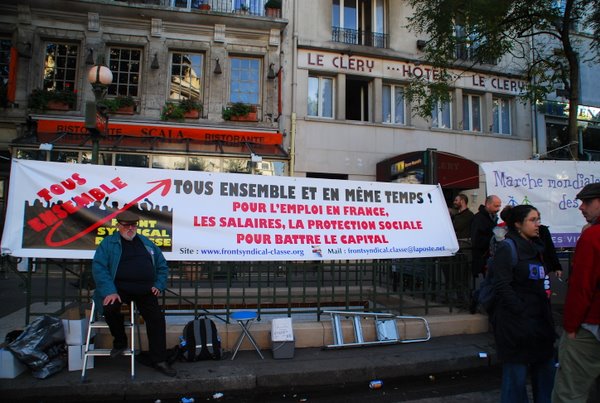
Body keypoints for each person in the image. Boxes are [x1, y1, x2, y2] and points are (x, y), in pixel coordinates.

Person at [92, 210, 176, 377]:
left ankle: (159, 360)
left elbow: (162, 266)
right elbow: (99, 268)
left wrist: (158, 285)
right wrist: (109, 291)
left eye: (133, 225)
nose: (130, 228)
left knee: (157, 320)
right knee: (110, 308)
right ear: (118, 226)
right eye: (126, 226)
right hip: (118, 289)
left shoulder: (146, 243)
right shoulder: (108, 243)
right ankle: (120, 341)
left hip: (145, 290)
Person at [491, 204, 556, 403]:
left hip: (540, 323)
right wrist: (519, 309)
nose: (537, 224)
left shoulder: (537, 246)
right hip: (516, 326)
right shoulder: (507, 247)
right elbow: (502, 285)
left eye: (538, 219)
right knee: (516, 380)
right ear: (518, 224)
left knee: (545, 375)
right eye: (532, 220)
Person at [552, 183, 600, 403]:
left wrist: (571, 326)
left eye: (587, 202)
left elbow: (581, 287)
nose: (581, 207)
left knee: (570, 391)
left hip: (590, 325)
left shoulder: (592, 237)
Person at [470, 195, 502, 278]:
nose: (498, 209)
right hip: (482, 258)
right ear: (488, 205)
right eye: (496, 206)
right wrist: (493, 239)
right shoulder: (478, 218)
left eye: (499, 206)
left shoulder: (492, 217)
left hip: (489, 257)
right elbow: (476, 239)